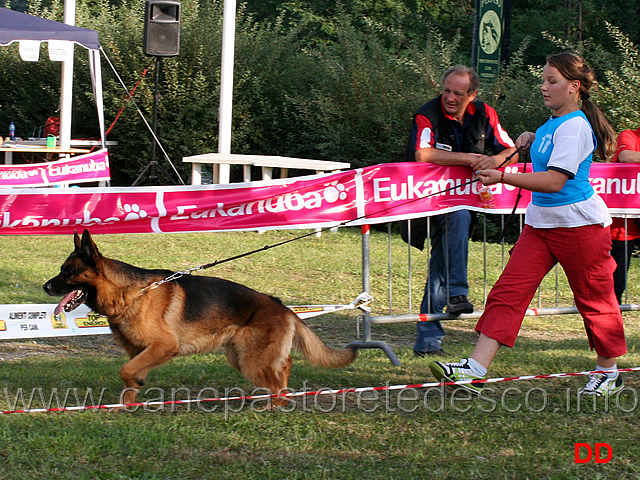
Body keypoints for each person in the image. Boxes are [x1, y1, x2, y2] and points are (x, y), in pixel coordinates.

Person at [428, 52, 626, 397]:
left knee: (595, 300)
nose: (544, 87)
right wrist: (531, 139)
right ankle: (475, 369)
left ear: (574, 87)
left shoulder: (576, 125)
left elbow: (553, 182)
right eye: (544, 80)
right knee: (509, 291)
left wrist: (503, 176)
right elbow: (549, 154)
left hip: (579, 227)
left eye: (552, 81)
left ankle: (608, 372)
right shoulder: (552, 124)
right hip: (542, 225)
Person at [405, 65, 517, 357]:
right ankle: (458, 293)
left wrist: (494, 161)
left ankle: (428, 341)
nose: (450, 98)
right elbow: (422, 153)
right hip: (429, 202)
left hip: (469, 200)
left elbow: (511, 150)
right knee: (457, 217)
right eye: (446, 91)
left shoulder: (485, 113)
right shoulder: (426, 114)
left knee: (441, 263)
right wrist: (468, 158)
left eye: (458, 93)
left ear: (472, 95)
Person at [610, 127, 640, 303]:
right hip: (624, 223)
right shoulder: (629, 135)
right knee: (617, 281)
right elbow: (626, 156)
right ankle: (610, 318)